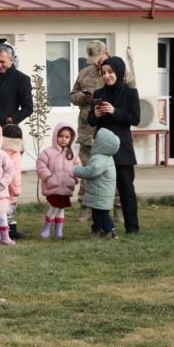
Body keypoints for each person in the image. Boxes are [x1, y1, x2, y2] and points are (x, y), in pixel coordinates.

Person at [69, 41, 135, 223]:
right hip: (88, 130)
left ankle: (118, 209)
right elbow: (72, 95)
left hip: (112, 133)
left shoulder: (120, 72)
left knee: (113, 173)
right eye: (94, 61)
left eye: (99, 60)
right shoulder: (85, 73)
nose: (97, 65)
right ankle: (86, 209)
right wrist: (82, 97)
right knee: (88, 171)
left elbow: (130, 97)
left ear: (106, 53)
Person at [88, 56, 141, 234]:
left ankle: (132, 227)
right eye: (104, 73)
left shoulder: (130, 92)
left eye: (110, 72)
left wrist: (114, 111)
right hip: (102, 149)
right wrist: (95, 114)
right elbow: (91, 121)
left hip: (122, 149)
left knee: (126, 189)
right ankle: (99, 226)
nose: (107, 76)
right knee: (99, 188)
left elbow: (135, 119)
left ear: (118, 71)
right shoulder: (99, 94)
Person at [36, 121, 81, 239]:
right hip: (53, 187)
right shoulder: (48, 152)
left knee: (61, 209)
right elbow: (41, 165)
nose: (63, 139)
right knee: (54, 207)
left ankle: (58, 231)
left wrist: (75, 178)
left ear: (71, 139)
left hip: (66, 187)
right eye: (61, 136)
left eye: (67, 137)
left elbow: (78, 167)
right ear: (56, 136)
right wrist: (48, 177)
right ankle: (46, 229)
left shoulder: (72, 154)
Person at [73, 128, 121, 239]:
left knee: (102, 214)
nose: (93, 141)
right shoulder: (106, 156)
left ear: (102, 144)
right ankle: (97, 229)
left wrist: (75, 170)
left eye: (95, 139)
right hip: (101, 192)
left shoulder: (100, 158)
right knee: (97, 213)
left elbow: (91, 171)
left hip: (101, 193)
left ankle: (111, 231)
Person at [2, 124, 26, 239]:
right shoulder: (15, 154)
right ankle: (3, 233)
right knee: (8, 212)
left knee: (3, 212)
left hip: (0, 188)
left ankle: (12, 230)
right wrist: (16, 190)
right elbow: (15, 174)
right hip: (11, 189)